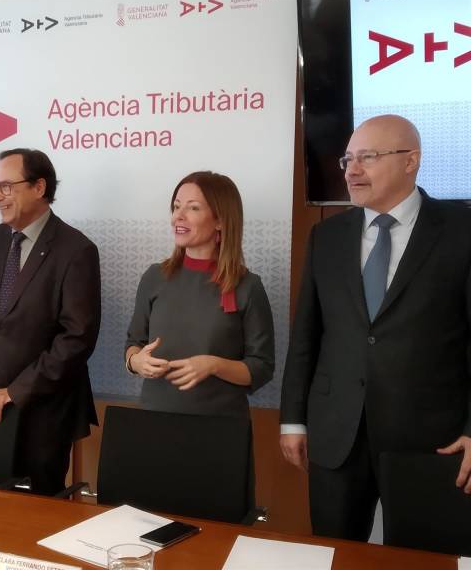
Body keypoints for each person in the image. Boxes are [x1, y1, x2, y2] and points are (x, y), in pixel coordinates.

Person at [280, 114, 471, 541]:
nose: (352, 169)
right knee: (333, 552)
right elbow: (306, 336)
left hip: (430, 439)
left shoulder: (461, 231)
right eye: (348, 158)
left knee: (425, 557)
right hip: (336, 434)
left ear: (411, 161)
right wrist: (293, 420)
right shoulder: (327, 237)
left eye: (368, 157)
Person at [0, 148, 101, 495]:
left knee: (36, 517)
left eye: (6, 186)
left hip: (44, 414)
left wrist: (15, 392)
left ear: (38, 187)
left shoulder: (76, 250)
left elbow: (76, 338)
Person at [125, 171, 274, 420]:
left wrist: (213, 365)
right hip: (155, 421)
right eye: (176, 206)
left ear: (220, 221)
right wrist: (136, 362)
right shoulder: (154, 277)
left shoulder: (248, 285)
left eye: (193, 208)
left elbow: (262, 367)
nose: (178, 217)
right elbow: (133, 344)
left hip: (220, 427)